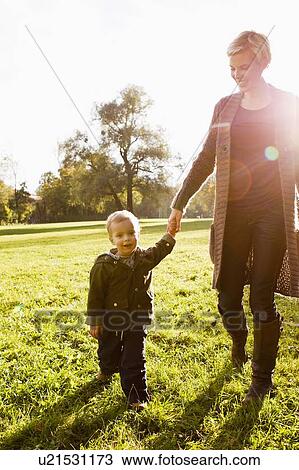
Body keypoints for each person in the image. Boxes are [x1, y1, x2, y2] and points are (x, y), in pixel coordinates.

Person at [168, 31, 299, 403]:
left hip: (273, 214)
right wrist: (179, 202)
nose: (237, 74)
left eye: (244, 67)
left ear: (264, 62)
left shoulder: (289, 105)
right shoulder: (225, 107)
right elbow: (205, 158)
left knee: (261, 297)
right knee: (227, 295)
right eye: (232, 68)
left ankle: (261, 380)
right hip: (233, 214)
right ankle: (238, 342)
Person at [86, 210, 175, 411]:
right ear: (112, 238)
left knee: (134, 359)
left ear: (137, 234)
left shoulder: (144, 258)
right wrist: (95, 320)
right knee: (108, 350)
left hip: (137, 319)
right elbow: (96, 295)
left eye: (131, 233)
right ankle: (107, 369)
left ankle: (136, 397)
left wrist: (170, 234)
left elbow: (161, 249)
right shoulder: (103, 265)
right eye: (120, 235)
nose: (126, 239)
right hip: (112, 320)